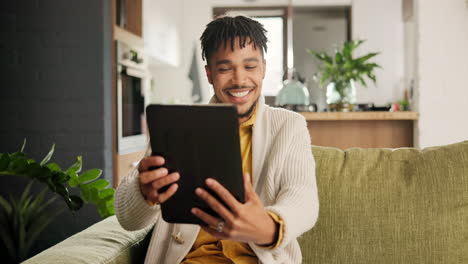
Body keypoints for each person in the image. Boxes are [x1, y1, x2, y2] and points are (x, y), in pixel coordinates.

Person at [114, 15, 319, 264]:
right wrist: (143, 192)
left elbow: (303, 200)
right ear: (209, 74)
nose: (239, 80)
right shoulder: (178, 126)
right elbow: (127, 219)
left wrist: (267, 227)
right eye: (225, 68)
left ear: (264, 68)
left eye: (250, 66)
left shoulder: (289, 126)